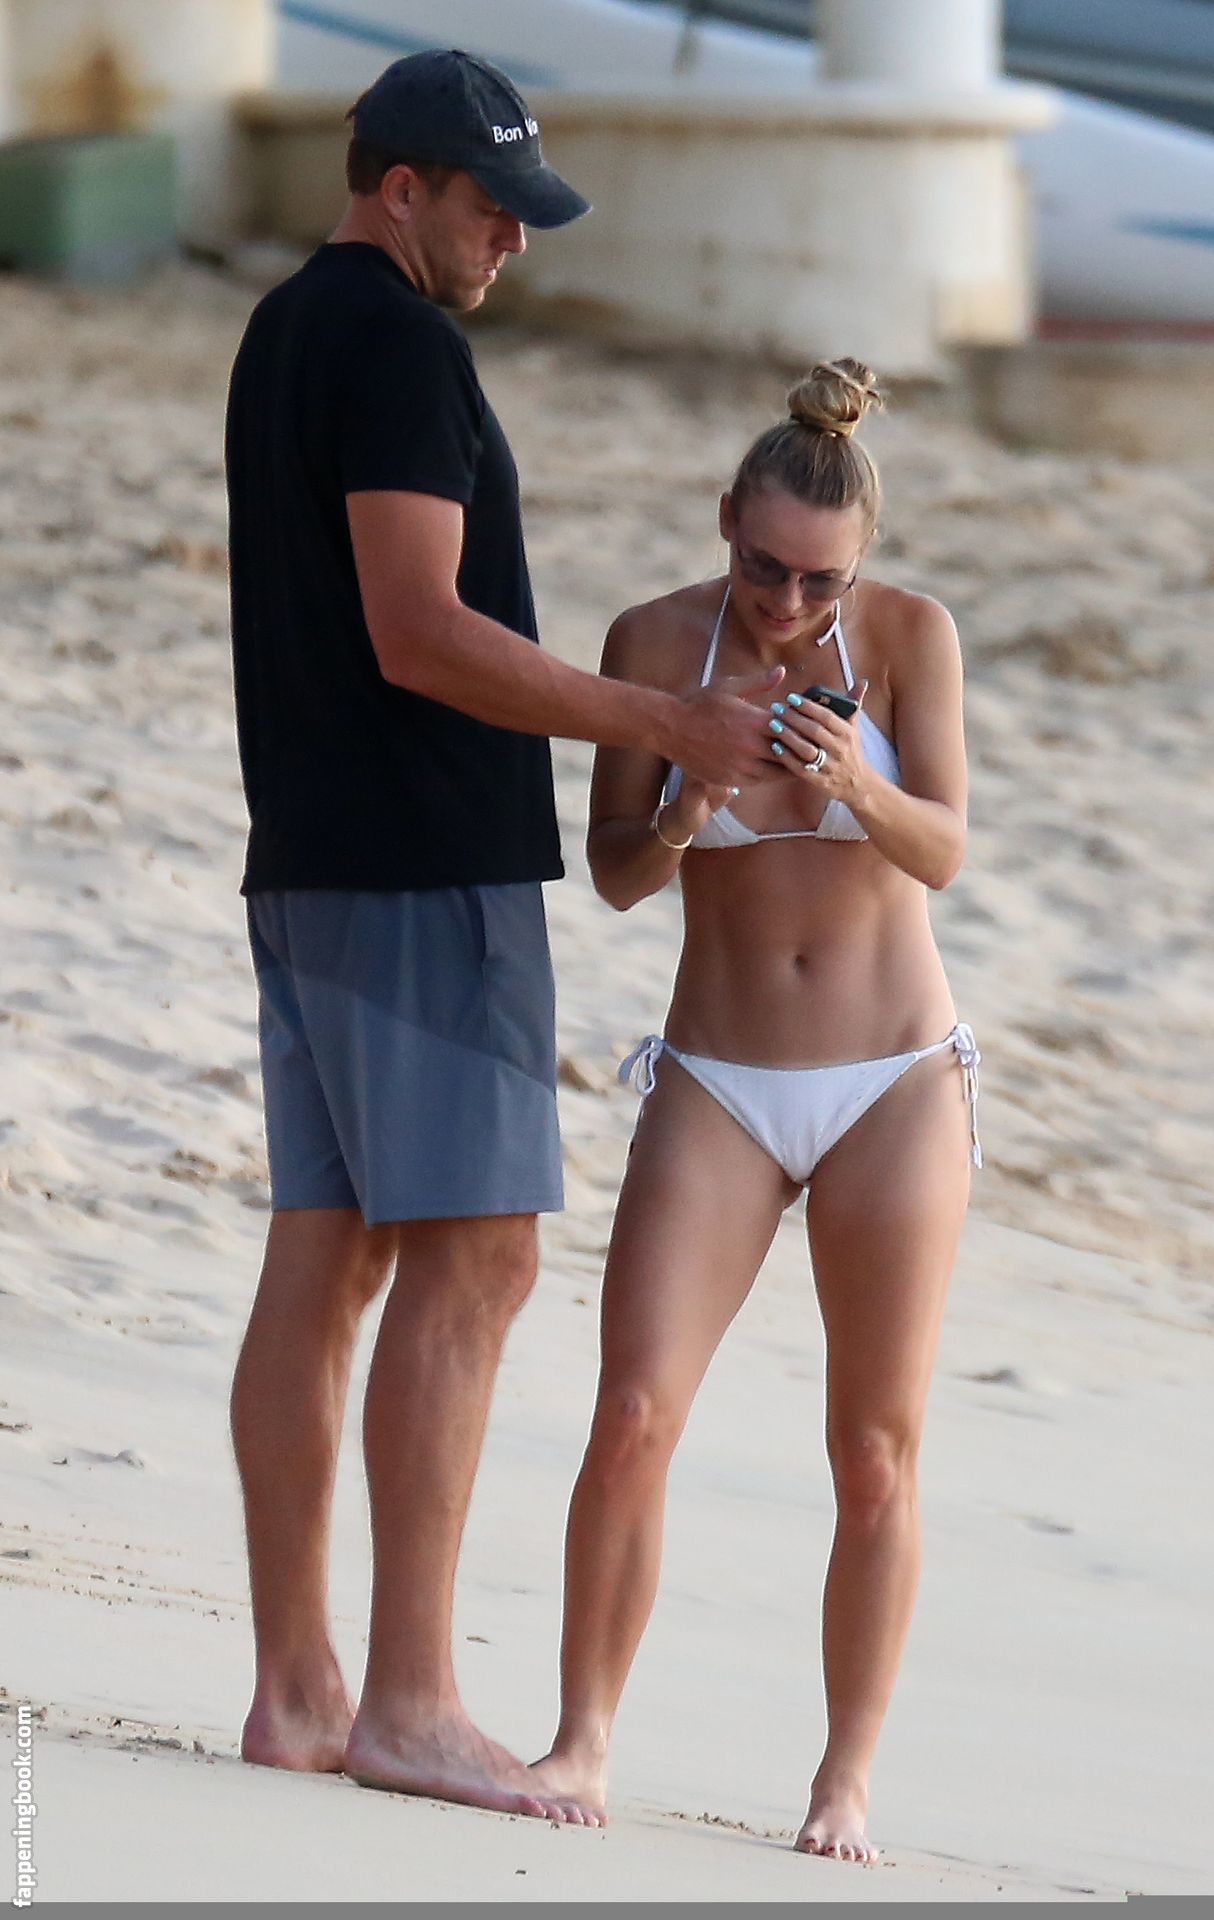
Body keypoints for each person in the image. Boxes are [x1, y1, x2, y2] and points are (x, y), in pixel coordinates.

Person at [223, 48, 778, 1826]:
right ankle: (407, 1701)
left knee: (328, 1257)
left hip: (309, 857)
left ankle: (299, 1693)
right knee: (474, 1262)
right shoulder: (395, 345)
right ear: (400, 189)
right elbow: (421, 631)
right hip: (415, 866)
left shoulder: (283, 329)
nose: (511, 243)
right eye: (489, 209)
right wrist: (665, 725)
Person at [530, 361, 982, 1858]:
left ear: (861, 563)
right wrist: (685, 795)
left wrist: (857, 779)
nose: (787, 602)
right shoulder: (654, 642)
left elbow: (944, 852)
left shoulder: (910, 638)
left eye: (818, 580)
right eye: (763, 567)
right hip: (719, 1072)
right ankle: (582, 1738)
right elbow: (612, 873)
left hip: (890, 1076)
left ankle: (843, 1779)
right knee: (634, 1411)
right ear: (725, 519)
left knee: (875, 1449)